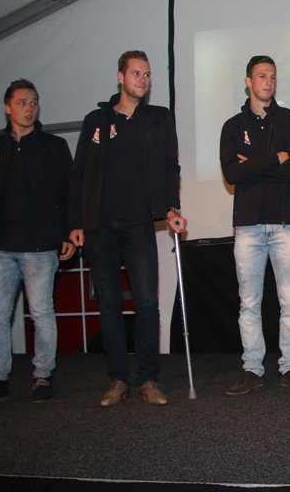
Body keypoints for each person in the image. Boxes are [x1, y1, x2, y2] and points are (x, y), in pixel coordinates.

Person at [69, 50, 187, 407]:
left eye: (147, 74)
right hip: (99, 226)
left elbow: (170, 165)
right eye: (136, 73)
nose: (143, 80)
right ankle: (118, 379)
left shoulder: (159, 118)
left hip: (139, 224)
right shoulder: (97, 120)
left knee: (147, 303)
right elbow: (80, 172)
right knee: (109, 304)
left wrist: (172, 207)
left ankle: (148, 379)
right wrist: (76, 222)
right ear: (120, 76)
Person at [0, 78, 75, 406]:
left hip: (40, 247)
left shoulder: (54, 146)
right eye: (22, 103)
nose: (29, 108)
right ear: (7, 107)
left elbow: (68, 194)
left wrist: (69, 232)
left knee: (42, 313)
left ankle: (43, 377)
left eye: (33, 102)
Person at [219, 55, 290, 396]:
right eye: (262, 76)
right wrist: (276, 158)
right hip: (248, 226)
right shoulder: (232, 126)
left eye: (272, 76)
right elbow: (232, 173)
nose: (268, 82)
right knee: (249, 303)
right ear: (248, 81)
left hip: (286, 223)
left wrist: (254, 165)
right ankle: (252, 369)